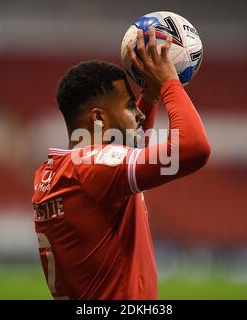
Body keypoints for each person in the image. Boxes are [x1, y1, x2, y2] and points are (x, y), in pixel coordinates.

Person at [31, 27, 211, 299]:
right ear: (99, 118)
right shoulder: (93, 166)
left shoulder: (55, 171)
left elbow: (129, 149)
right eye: (130, 106)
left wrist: (149, 98)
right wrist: (169, 83)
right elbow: (194, 148)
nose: (139, 112)